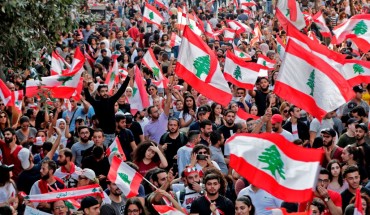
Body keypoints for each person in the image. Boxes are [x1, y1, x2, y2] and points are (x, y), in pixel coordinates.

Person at [84, 63, 134, 147]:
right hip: (103, 136)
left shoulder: (111, 100)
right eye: (102, 91)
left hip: (113, 134)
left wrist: (128, 77)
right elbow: (88, 98)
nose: (105, 93)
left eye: (106, 91)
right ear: (99, 93)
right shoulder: (96, 103)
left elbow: (121, 91)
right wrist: (85, 87)